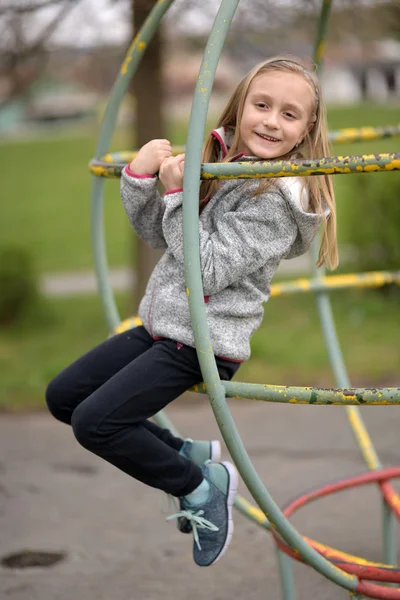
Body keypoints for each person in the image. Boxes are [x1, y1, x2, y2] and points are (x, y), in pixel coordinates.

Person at [46, 56, 338, 568]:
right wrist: (142, 183)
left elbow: (205, 267)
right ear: (240, 104)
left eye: (290, 115)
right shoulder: (225, 163)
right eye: (262, 105)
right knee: (65, 396)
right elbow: (163, 237)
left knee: (97, 424)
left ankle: (199, 486)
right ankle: (188, 454)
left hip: (204, 341)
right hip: (164, 326)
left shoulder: (276, 200)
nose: (272, 121)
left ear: (307, 129)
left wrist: (179, 193)